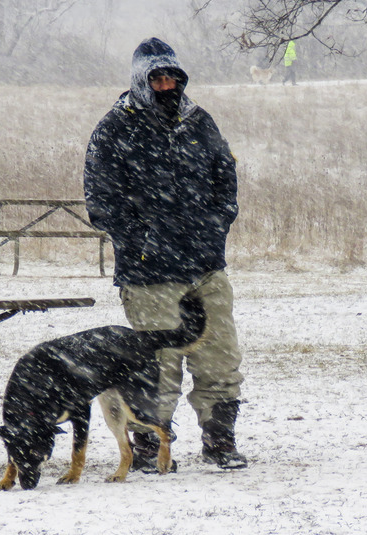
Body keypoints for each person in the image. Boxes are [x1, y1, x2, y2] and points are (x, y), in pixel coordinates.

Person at [83, 37, 248, 470]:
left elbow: (225, 179)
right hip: (149, 272)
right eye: (156, 78)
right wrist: (143, 239)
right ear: (141, 81)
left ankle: (220, 441)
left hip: (205, 266)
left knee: (220, 357)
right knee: (157, 365)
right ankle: (150, 447)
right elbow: (100, 201)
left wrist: (215, 226)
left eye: (172, 76)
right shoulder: (115, 128)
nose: (165, 85)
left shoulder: (200, 122)